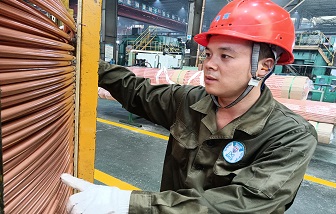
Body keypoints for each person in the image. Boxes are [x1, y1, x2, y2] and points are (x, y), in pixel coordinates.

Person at [61, 0, 318, 213]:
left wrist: (128, 202)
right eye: (208, 54)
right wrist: (85, 56)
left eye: (225, 56)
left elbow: (242, 204)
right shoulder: (190, 101)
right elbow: (136, 91)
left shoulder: (290, 136)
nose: (209, 65)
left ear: (264, 67)